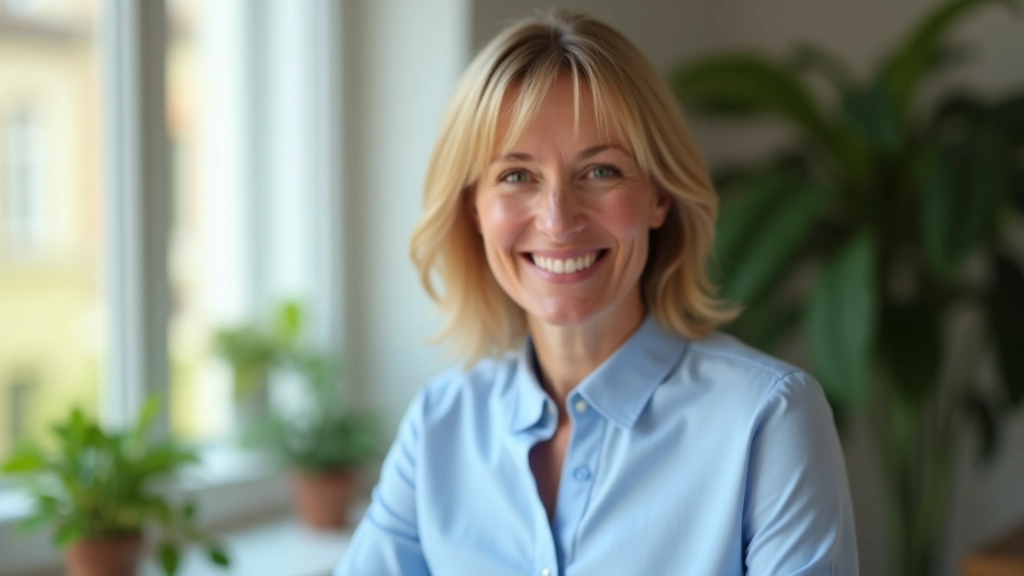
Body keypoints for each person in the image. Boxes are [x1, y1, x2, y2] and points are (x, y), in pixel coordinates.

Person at [335, 10, 858, 576]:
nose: (559, 220)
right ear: (474, 208)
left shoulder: (767, 418)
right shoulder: (439, 424)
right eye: (517, 175)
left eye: (602, 171)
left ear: (660, 196)